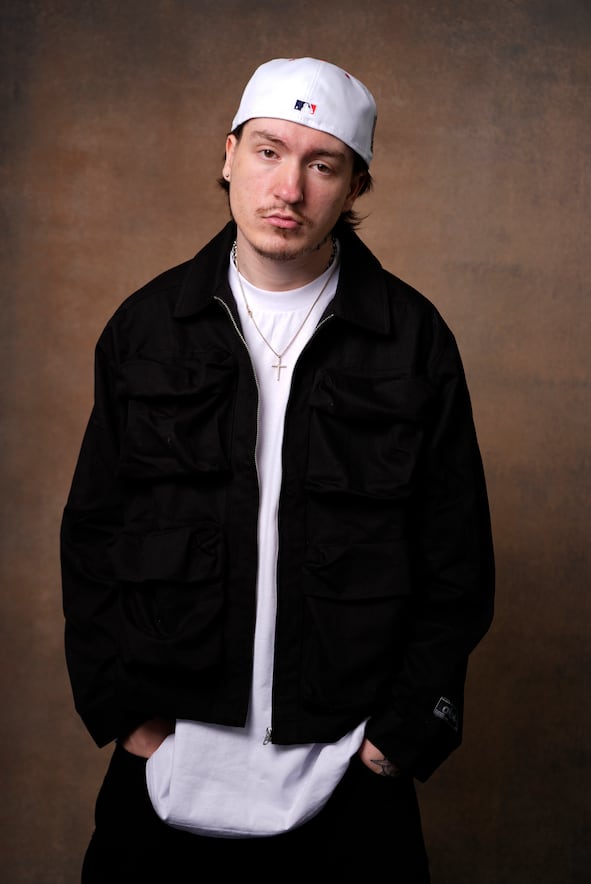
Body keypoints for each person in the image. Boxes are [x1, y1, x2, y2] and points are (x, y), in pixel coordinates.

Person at [61, 57, 494, 882]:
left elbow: (457, 564)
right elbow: (92, 537)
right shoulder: (146, 328)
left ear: (355, 185)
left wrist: (396, 742)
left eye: (321, 163)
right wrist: (127, 718)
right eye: (267, 152)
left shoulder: (414, 341)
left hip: (347, 794)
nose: (287, 188)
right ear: (228, 155)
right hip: (164, 782)